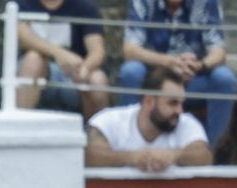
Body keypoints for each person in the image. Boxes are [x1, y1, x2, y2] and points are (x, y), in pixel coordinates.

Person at [119, 0, 237, 145]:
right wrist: (169, 62)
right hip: (154, 80)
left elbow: (218, 51)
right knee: (131, 71)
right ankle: (129, 145)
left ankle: (215, 153)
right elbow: (130, 50)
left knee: (224, 78)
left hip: (193, 78)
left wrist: (199, 66)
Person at [13, 0, 109, 118]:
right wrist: (61, 54)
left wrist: (85, 68)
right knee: (33, 58)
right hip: (33, 73)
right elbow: (24, 37)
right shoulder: (21, 3)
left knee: (98, 79)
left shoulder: (84, 6)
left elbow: (98, 51)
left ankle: (94, 138)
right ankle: (19, 128)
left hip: (72, 76)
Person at [85, 65, 213, 169]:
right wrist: (131, 158)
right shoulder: (110, 119)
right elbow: (89, 155)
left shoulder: (186, 122)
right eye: (173, 103)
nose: (180, 110)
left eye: (181, 103)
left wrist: (173, 155)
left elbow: (205, 156)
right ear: (149, 102)